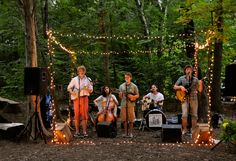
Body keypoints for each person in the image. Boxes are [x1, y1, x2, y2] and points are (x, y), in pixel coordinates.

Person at [67, 65, 93, 137]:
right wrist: (72, 92)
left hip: (84, 98)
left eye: (82, 71)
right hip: (76, 99)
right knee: (76, 115)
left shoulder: (88, 79)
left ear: (84, 71)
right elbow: (69, 88)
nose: (81, 72)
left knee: (84, 115)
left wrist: (87, 89)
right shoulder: (75, 79)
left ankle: (84, 131)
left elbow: (91, 90)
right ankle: (77, 131)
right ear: (78, 72)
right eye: (80, 71)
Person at [173, 65, 199, 135]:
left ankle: (193, 130)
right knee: (184, 115)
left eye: (190, 69)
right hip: (184, 99)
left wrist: (200, 85)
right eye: (187, 69)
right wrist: (181, 87)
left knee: (194, 115)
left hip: (194, 98)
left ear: (192, 70)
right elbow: (175, 87)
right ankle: (184, 129)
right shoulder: (181, 78)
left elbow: (199, 90)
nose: (188, 70)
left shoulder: (196, 79)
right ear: (185, 71)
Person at [119, 72, 139, 138]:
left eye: (127, 77)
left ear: (130, 78)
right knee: (124, 119)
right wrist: (120, 95)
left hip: (131, 104)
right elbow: (120, 97)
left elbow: (137, 95)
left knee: (131, 119)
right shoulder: (121, 86)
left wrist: (132, 97)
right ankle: (125, 133)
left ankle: (130, 133)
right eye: (125, 77)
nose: (126, 79)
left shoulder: (134, 86)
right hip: (123, 104)